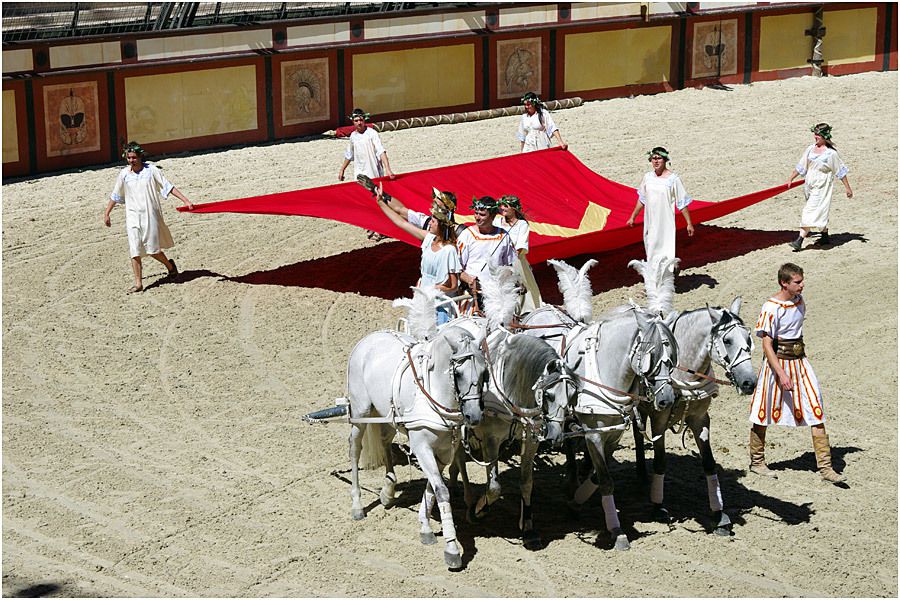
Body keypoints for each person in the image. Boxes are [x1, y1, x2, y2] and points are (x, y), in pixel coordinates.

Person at [747, 263, 846, 484]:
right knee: (763, 411)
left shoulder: (799, 301)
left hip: (800, 363)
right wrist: (781, 373)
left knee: (815, 408)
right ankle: (757, 461)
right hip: (777, 365)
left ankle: (825, 467)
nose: (802, 285)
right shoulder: (771, 307)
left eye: (802, 281)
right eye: (797, 282)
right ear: (784, 283)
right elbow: (767, 345)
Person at [103, 141, 194, 294]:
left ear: (140, 157)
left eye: (134, 157)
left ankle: (170, 266)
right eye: (129, 158)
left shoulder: (151, 170)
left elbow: (167, 186)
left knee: (152, 250)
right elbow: (116, 194)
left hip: (150, 215)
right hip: (132, 216)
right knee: (135, 249)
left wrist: (185, 200)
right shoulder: (124, 174)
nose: (131, 160)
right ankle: (138, 283)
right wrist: (107, 212)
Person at [373, 183, 461, 324]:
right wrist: (380, 202)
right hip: (422, 299)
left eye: (433, 220)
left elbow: (453, 285)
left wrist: (431, 289)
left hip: (439, 304)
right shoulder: (428, 238)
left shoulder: (450, 249)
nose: (429, 222)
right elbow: (401, 222)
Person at [786, 123, 853, 251]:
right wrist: (791, 178)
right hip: (809, 185)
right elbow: (801, 166)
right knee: (818, 211)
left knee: (809, 212)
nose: (815, 137)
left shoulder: (831, 154)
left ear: (824, 137)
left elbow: (840, 171)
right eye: (815, 134)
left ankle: (799, 241)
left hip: (822, 187)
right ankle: (824, 236)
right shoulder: (810, 149)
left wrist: (847, 188)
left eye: (818, 135)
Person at [626, 147, 695, 264]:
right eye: (654, 158)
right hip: (650, 221)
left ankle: (668, 275)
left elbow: (682, 203)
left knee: (665, 249)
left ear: (665, 160)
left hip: (665, 222)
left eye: (659, 158)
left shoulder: (673, 179)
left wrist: (689, 223)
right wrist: (633, 217)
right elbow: (642, 199)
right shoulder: (647, 177)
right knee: (651, 248)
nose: (656, 161)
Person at [339, 108, 395, 241]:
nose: (359, 122)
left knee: (378, 201)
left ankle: (381, 229)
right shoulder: (353, 136)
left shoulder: (372, 134)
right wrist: (342, 169)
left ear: (365, 120)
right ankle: (371, 227)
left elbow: (381, 151)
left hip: (374, 173)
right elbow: (349, 154)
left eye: (361, 120)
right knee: (365, 202)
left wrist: (388, 169)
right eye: (356, 120)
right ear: (353, 122)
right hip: (360, 174)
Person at [457, 196, 516, 312]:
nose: (477, 217)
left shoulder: (503, 236)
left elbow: (509, 266)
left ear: (493, 216)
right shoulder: (466, 235)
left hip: (497, 297)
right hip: (472, 297)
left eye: (482, 215)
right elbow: (456, 269)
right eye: (476, 213)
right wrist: (469, 280)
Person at [495, 194, 542, 313]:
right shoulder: (497, 221)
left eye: (506, 206)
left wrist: (509, 259)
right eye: (502, 206)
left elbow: (521, 246)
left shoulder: (522, 225)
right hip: (497, 260)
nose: (503, 208)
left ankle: (525, 310)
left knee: (522, 287)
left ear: (514, 209)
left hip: (515, 261)